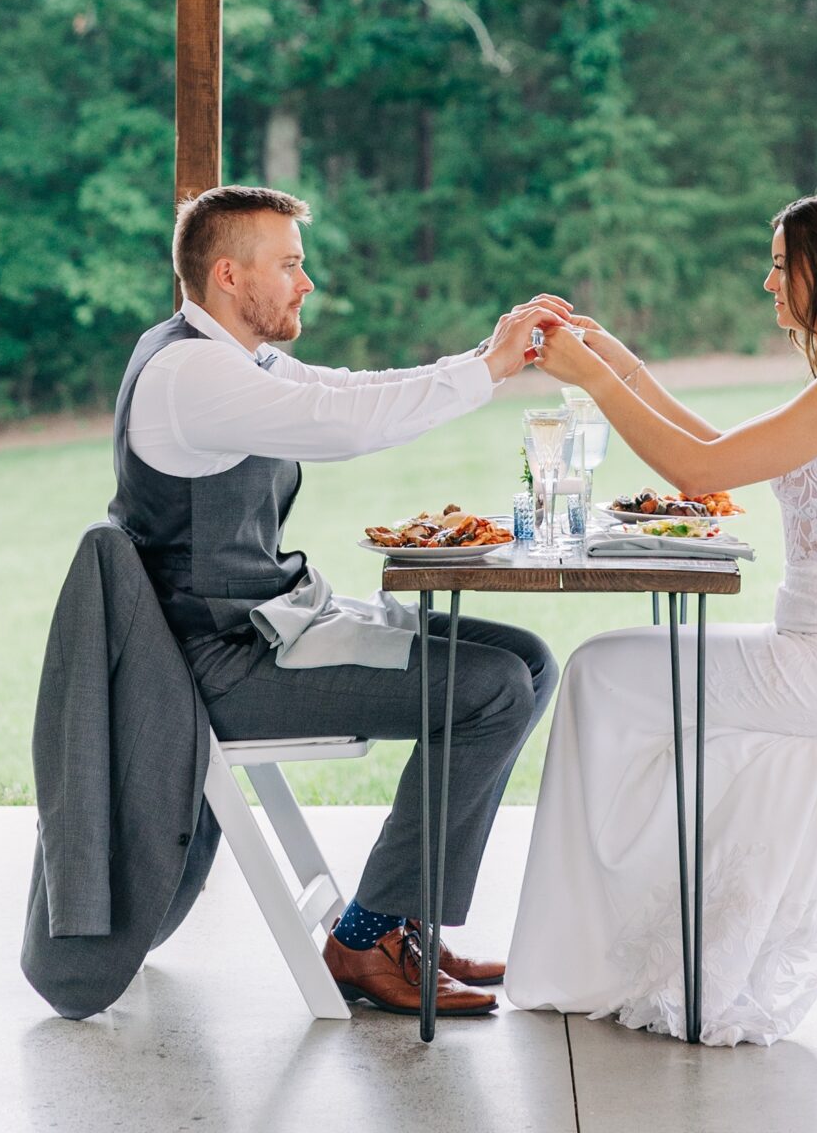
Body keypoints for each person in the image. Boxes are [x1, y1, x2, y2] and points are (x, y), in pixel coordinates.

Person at [110, 182, 565, 1020]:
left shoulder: (229, 355)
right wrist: (490, 369)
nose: (305, 282)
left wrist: (482, 359)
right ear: (227, 276)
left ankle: (407, 921)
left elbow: (347, 391)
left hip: (268, 627)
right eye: (288, 265)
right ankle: (365, 937)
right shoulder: (190, 374)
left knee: (528, 661)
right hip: (224, 663)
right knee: (493, 687)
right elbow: (342, 427)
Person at [504, 190, 817, 1045]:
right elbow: (715, 458)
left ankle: (592, 949)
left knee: (597, 671)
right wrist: (623, 366)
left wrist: (592, 378)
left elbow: (693, 469)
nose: (768, 282)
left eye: (782, 264)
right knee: (610, 669)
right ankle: (618, 928)